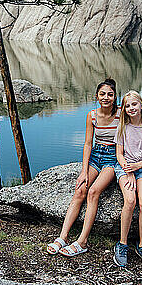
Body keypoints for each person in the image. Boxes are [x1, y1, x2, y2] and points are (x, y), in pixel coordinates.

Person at [46, 78, 120, 257]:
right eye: (102, 94)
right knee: (80, 190)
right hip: (96, 156)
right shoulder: (92, 115)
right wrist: (83, 171)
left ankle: (82, 241)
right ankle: (63, 237)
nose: (106, 97)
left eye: (110, 94)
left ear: (115, 96)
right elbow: (88, 144)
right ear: (96, 96)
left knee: (94, 192)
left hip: (112, 158)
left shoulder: (121, 114)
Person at [112, 90, 142, 269]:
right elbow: (119, 154)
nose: (131, 108)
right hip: (124, 168)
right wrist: (128, 170)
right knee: (130, 200)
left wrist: (137, 167)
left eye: (134, 104)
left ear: (141, 106)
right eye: (127, 105)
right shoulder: (122, 128)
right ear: (123, 109)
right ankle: (122, 244)